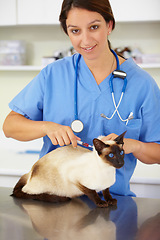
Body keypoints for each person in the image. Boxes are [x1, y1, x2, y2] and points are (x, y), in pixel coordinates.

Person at [3, 0, 160, 196]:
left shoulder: (142, 84)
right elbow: (10, 126)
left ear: (109, 25)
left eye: (94, 27)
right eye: (75, 31)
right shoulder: (53, 74)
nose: (85, 40)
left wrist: (136, 145)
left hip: (111, 203)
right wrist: (47, 127)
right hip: (56, 198)